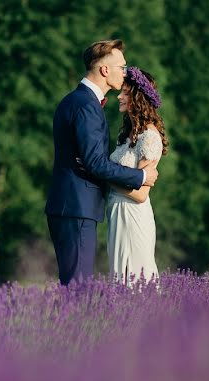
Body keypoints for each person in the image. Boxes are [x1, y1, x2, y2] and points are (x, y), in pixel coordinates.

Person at [45, 40, 159, 285]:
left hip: (71, 205)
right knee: (78, 290)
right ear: (105, 70)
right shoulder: (86, 105)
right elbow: (95, 162)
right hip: (77, 207)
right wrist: (140, 177)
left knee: (74, 287)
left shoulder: (74, 100)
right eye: (122, 66)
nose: (125, 72)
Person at [106, 67, 168, 283]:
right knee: (119, 280)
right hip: (117, 214)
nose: (119, 96)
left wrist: (105, 177)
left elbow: (141, 194)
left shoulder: (149, 137)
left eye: (125, 92)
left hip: (132, 215)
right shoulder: (128, 134)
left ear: (137, 97)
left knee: (133, 280)